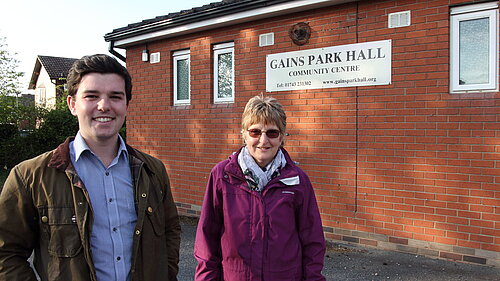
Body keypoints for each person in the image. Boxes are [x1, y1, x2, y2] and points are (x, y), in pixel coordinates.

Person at [0, 54, 181, 281]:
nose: (104, 106)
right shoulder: (29, 177)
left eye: (115, 96)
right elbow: (6, 253)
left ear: (126, 104)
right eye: (91, 96)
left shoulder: (153, 170)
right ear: (73, 104)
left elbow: (170, 232)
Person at [194, 95, 326, 280]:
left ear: (282, 137)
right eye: (255, 132)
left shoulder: (298, 180)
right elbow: (207, 237)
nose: (263, 141)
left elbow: (312, 240)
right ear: (244, 134)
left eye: (272, 133)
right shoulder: (222, 175)